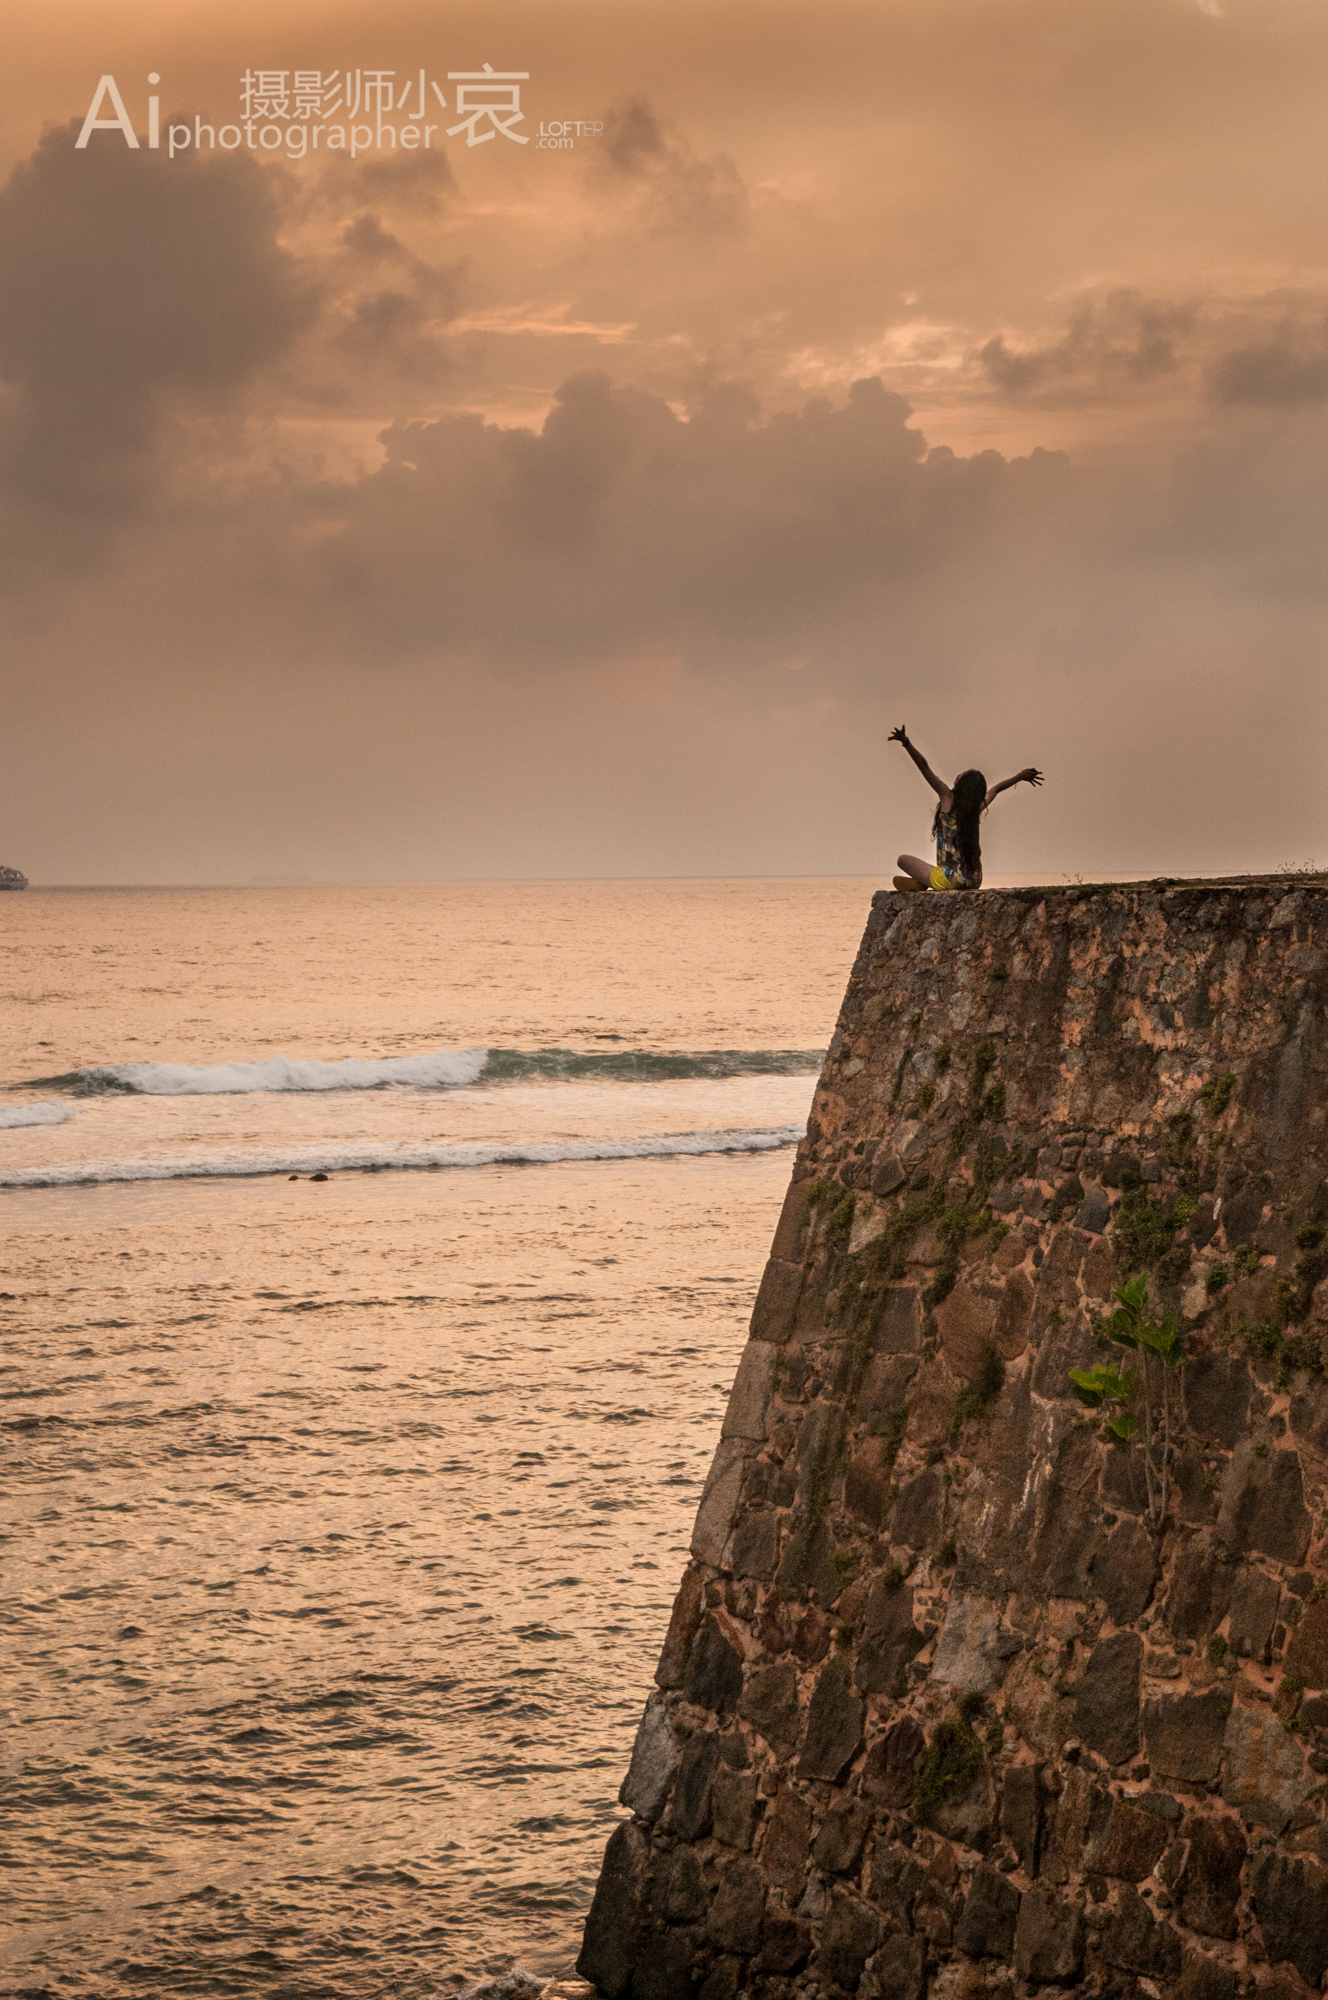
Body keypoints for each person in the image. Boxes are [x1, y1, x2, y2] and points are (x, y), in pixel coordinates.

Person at [889, 725, 1042, 892]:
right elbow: (996, 789)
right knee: (932, 869)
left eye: (962, 775)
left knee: (902, 859)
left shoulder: (947, 798)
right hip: (974, 880)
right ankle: (922, 882)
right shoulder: (975, 809)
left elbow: (924, 767)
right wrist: (1019, 776)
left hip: (948, 879)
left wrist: (906, 743)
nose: (959, 774)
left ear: (963, 784)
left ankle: (925, 882)